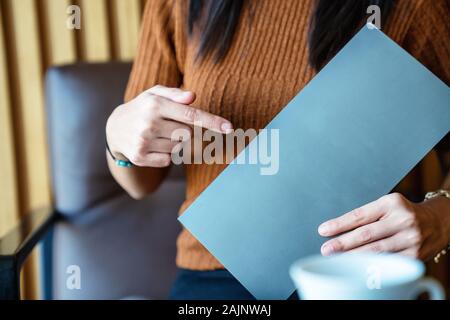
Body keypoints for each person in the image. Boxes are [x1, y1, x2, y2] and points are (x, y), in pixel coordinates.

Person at [105, 0, 450, 299]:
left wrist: (441, 217)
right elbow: (140, 183)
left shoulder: (415, 8)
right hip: (219, 275)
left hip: (358, 272)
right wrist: (116, 137)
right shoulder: (180, 5)